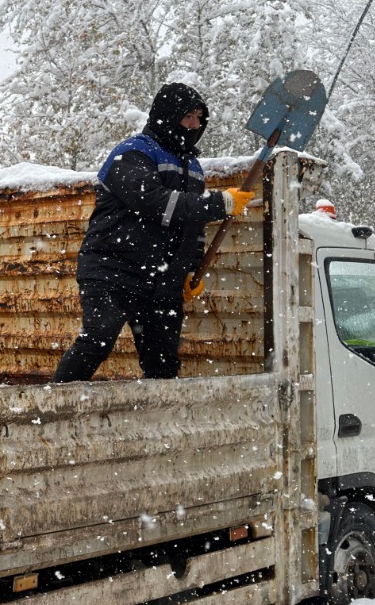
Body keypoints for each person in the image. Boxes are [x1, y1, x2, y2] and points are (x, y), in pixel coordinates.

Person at [51, 82, 254, 383]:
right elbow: (157, 204)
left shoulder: (193, 167)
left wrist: (189, 270)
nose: (195, 125)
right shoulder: (132, 153)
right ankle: (50, 406)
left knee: (163, 362)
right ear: (168, 116)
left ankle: (155, 425)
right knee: (99, 339)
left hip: (161, 280)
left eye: (199, 117)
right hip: (112, 269)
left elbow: (192, 227)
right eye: (188, 117)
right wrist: (219, 203)